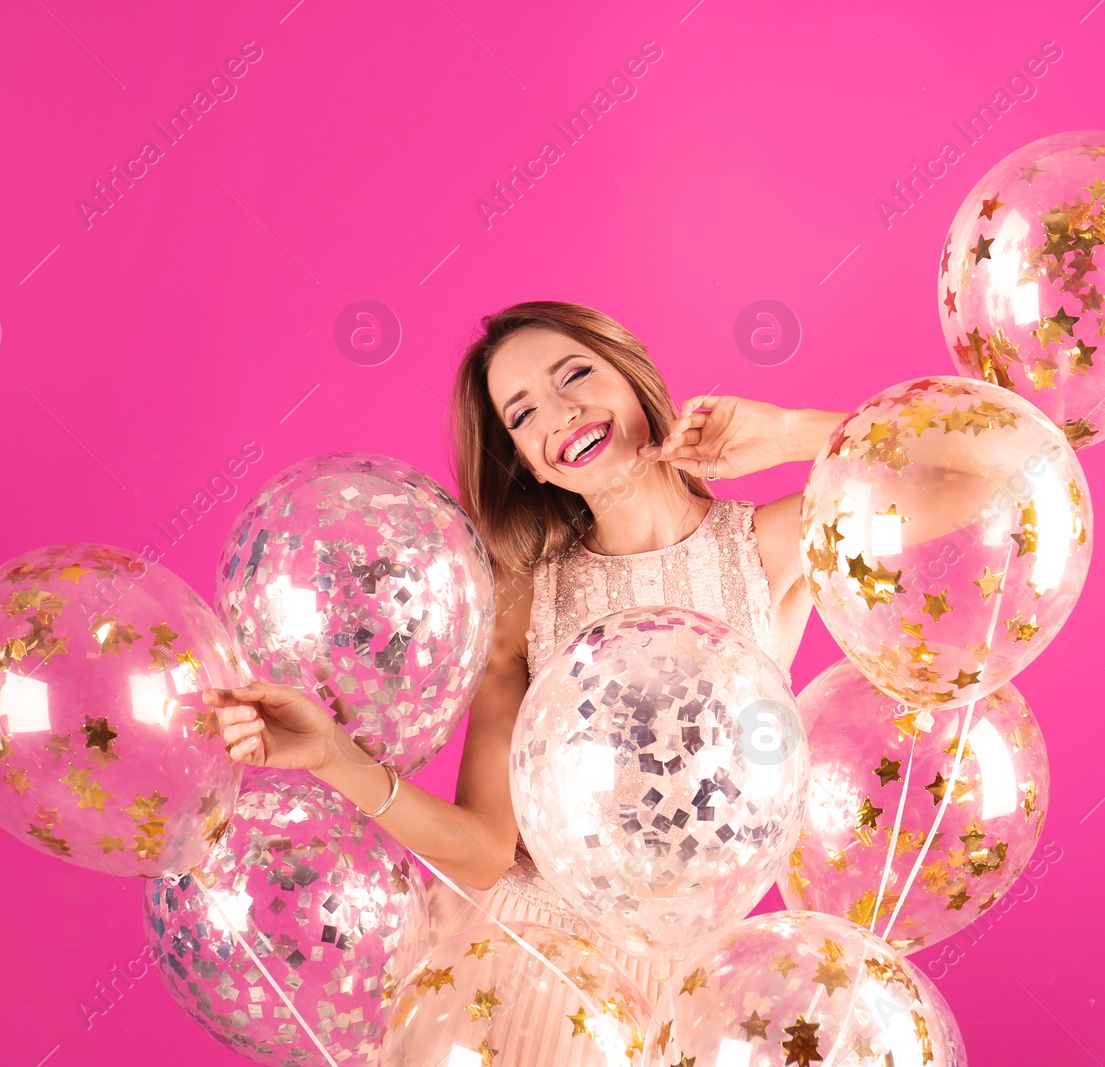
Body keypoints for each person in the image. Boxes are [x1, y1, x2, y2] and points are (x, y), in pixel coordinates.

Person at [204, 300, 847, 1053]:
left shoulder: (771, 544)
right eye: (523, 413)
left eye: (576, 373)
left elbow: (991, 466)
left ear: (633, 377)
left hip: (694, 992)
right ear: (526, 459)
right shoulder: (524, 598)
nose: (561, 411)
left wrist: (796, 431)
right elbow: (483, 850)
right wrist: (333, 757)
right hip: (532, 982)